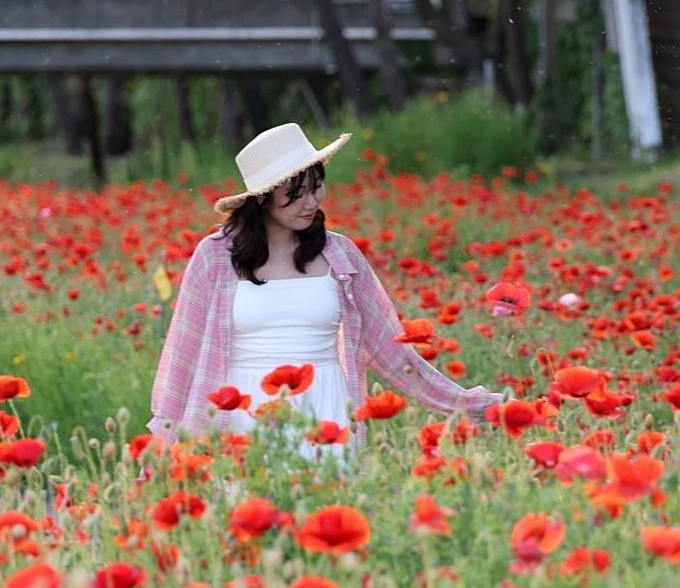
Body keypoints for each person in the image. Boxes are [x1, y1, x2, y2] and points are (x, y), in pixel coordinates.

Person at [145, 122, 510, 469]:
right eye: (295, 195)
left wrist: (471, 405)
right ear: (263, 199)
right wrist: (165, 442)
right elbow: (184, 353)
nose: (311, 202)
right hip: (243, 412)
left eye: (316, 187)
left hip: (327, 409)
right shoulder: (215, 257)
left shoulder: (340, 256)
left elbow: (393, 351)